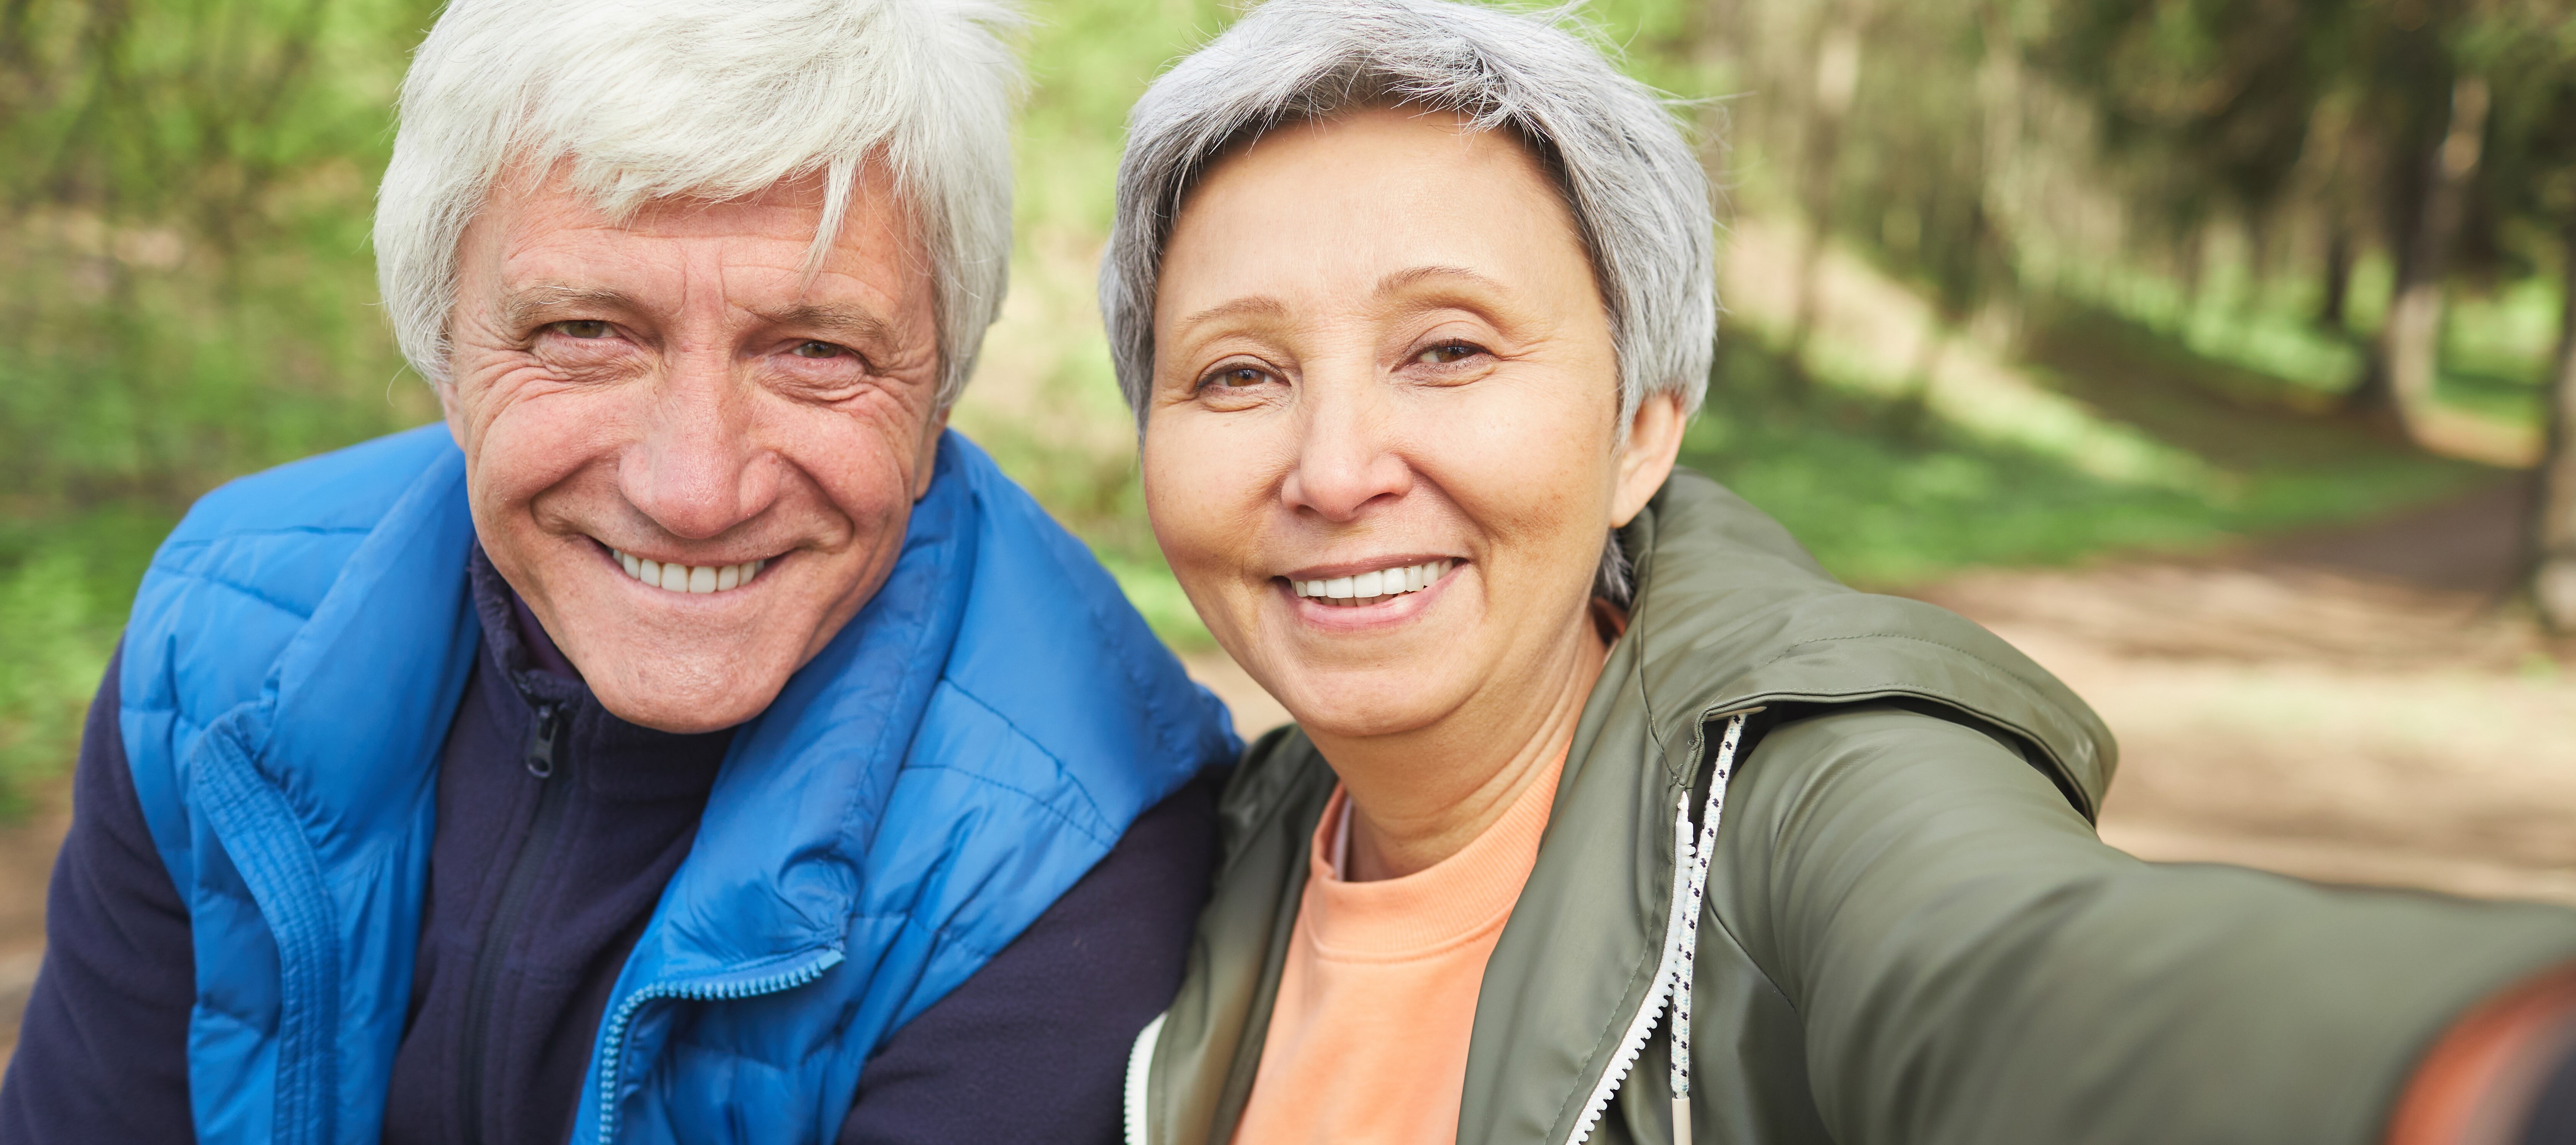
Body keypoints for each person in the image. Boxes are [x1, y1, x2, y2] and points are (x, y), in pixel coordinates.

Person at [1102, 1, 2576, 1142]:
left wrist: (2479, 1062)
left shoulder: (1804, 797)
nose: (1338, 466)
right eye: (1239, 374)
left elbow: (2020, 969)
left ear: (1639, 432)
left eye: (1450, 349)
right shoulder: (1217, 837)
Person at [0, 1, 1240, 1143]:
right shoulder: (224, 631)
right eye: (586, 332)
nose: (696, 488)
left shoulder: (1073, 841)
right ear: (444, 345)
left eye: (814, 349)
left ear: (941, 389)